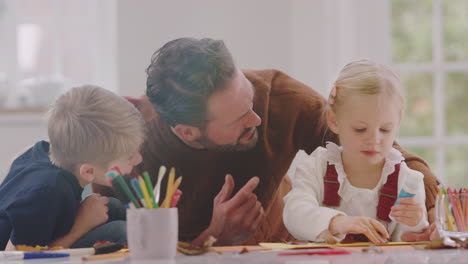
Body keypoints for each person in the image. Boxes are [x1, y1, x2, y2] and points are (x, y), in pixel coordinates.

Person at [93, 38, 440, 246]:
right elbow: (117, 246)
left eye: (250, 100)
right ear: (187, 131)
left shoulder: (276, 94)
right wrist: (213, 239)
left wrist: (432, 209)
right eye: (238, 120)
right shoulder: (132, 151)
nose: (256, 117)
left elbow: (377, 147)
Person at [283, 60, 429, 243]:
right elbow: (294, 214)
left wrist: (416, 222)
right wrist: (337, 222)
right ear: (334, 121)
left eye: (385, 130)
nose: (374, 139)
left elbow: (410, 246)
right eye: (360, 129)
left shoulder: (407, 181)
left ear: (397, 123)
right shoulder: (317, 167)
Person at [0, 85, 145, 249]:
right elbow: (14, 258)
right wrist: (81, 226)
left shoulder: (48, 153)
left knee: (113, 206)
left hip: (43, 232)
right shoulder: (47, 191)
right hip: (19, 256)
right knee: (120, 231)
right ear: (88, 171)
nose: (139, 159)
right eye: (130, 157)